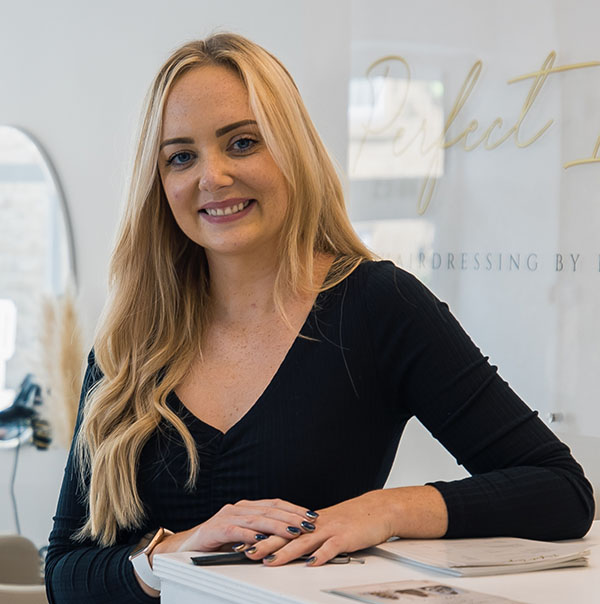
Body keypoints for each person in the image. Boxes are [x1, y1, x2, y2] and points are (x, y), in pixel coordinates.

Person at [45, 33, 595, 603]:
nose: (212, 177)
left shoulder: (380, 305)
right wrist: (173, 553)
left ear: (292, 149)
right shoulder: (133, 343)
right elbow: (63, 573)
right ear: (158, 184)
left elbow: (560, 492)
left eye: (242, 142)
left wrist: (385, 511)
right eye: (181, 156)